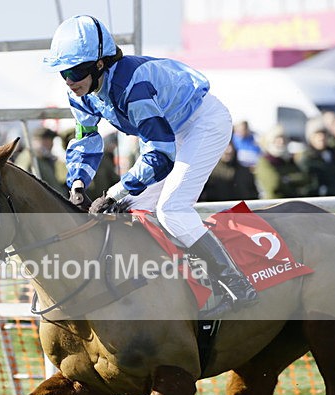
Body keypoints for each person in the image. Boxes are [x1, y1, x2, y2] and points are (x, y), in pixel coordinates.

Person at [44, 15, 256, 318]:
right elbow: (86, 139)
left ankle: (235, 285)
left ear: (99, 64)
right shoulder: (81, 92)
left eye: (75, 70)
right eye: (62, 71)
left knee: (172, 208)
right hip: (165, 132)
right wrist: (77, 185)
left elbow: (161, 154)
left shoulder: (134, 86)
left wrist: (116, 191)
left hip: (201, 124)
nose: (69, 79)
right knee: (129, 206)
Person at [255, 125, 314, 199]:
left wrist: (287, 179)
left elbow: (304, 178)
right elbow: (274, 184)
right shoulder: (265, 161)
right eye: (277, 139)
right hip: (272, 205)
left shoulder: (287, 161)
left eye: (283, 138)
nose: (281, 141)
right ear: (270, 141)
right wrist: (292, 186)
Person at [298, 119, 335, 197]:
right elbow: (307, 187)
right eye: (317, 134)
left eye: (323, 134)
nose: (321, 138)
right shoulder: (307, 159)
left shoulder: (333, 154)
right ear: (310, 138)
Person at [14, 126, 68, 194]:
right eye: (48, 141)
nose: (51, 145)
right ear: (37, 141)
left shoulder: (44, 159)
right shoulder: (29, 158)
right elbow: (22, 181)